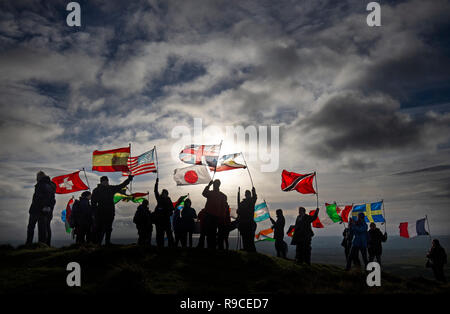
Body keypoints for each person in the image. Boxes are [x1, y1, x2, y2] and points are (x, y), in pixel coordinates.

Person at [91, 175, 133, 245]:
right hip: (101, 212)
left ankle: (107, 242)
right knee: (101, 228)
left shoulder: (110, 188)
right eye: (104, 181)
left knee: (109, 228)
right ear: (101, 182)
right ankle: (98, 243)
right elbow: (93, 202)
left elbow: (121, 186)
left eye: (107, 181)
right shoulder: (96, 190)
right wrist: (94, 212)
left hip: (110, 211)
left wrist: (129, 179)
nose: (106, 182)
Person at [26, 171, 56, 246]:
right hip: (46, 211)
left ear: (39, 177)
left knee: (31, 227)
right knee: (43, 228)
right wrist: (49, 208)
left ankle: (29, 244)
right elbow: (52, 200)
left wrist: (41, 206)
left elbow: (38, 198)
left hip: (36, 210)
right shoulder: (51, 185)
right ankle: (43, 244)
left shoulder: (40, 185)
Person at [202, 180, 229, 250]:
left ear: (214, 185)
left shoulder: (211, 193)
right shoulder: (223, 196)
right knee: (215, 234)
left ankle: (211, 248)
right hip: (217, 217)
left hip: (211, 216)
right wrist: (223, 217)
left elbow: (203, 193)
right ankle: (215, 248)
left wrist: (208, 185)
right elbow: (224, 207)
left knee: (210, 234)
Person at [153, 178, 175, 248]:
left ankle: (171, 246)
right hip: (159, 220)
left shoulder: (168, 200)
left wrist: (170, 212)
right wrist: (156, 183)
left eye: (165, 193)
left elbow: (172, 208)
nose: (164, 194)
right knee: (160, 234)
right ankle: (160, 246)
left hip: (166, 219)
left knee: (169, 233)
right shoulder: (159, 198)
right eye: (164, 193)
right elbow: (155, 191)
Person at [236, 186, 258, 252]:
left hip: (246, 223)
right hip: (248, 223)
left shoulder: (245, 203)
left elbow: (238, 211)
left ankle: (249, 250)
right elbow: (255, 197)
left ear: (245, 195)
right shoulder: (250, 202)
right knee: (248, 239)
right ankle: (249, 250)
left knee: (247, 239)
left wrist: (254, 192)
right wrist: (254, 191)